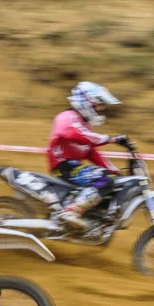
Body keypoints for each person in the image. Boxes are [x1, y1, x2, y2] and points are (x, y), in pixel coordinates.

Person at [47, 81, 136, 230]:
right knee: (104, 179)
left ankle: (94, 217)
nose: (99, 110)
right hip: (63, 164)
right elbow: (73, 134)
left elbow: (91, 152)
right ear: (86, 102)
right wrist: (110, 139)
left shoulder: (84, 125)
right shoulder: (67, 116)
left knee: (112, 180)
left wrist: (115, 172)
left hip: (73, 165)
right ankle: (71, 212)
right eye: (97, 106)